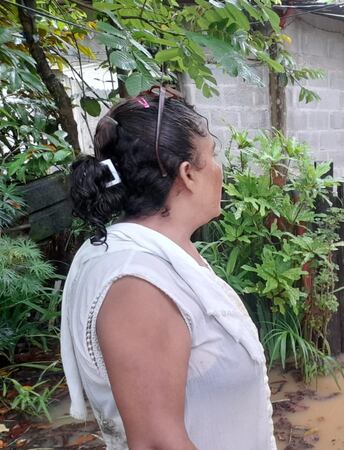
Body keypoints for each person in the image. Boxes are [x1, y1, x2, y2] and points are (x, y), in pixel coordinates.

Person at [60, 88, 277, 450]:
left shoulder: (165, 254)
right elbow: (158, 443)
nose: (220, 169)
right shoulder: (137, 286)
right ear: (188, 174)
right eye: (214, 155)